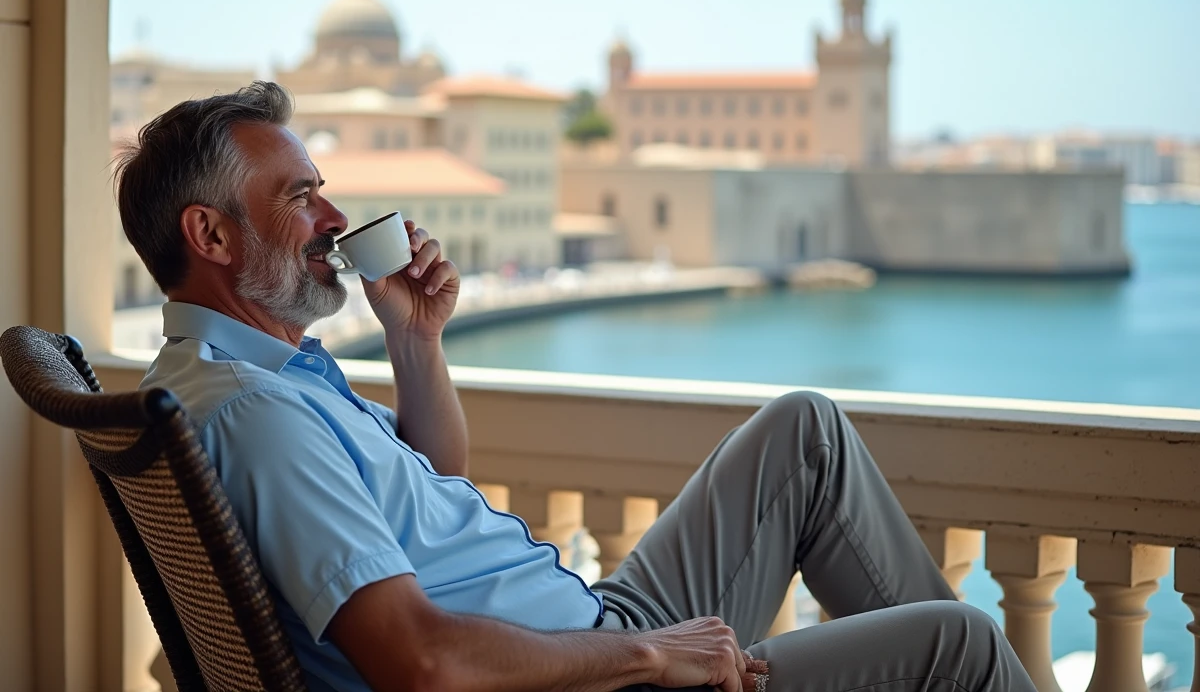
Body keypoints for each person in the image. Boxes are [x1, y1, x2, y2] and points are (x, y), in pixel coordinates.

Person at [114, 82, 1036, 692]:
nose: (336, 218)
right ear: (215, 235)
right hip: (589, 675)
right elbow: (419, 661)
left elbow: (431, 471)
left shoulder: (241, 380)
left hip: (585, 635)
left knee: (807, 432)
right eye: (299, 195)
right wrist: (649, 653)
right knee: (962, 647)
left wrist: (416, 339)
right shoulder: (259, 414)